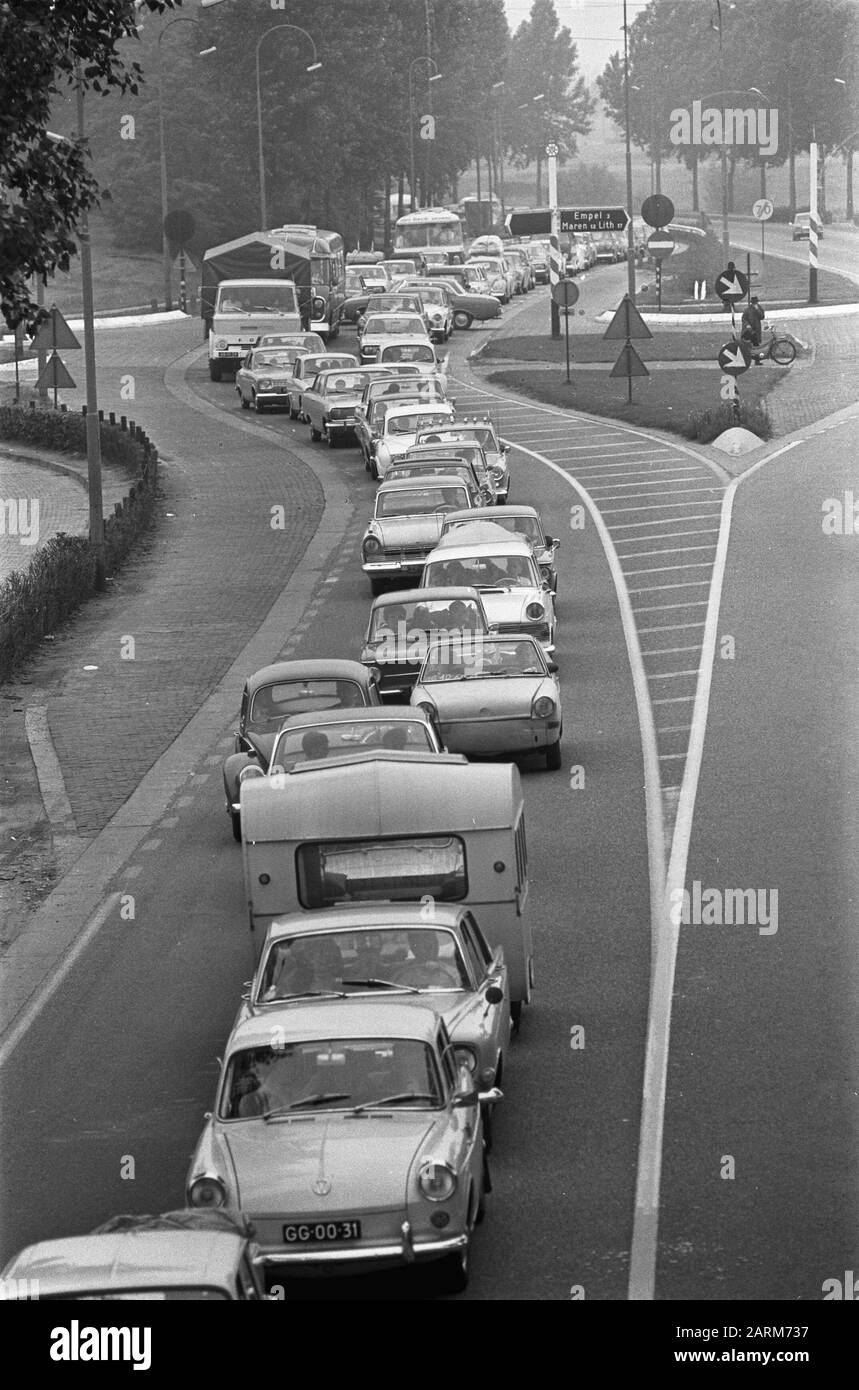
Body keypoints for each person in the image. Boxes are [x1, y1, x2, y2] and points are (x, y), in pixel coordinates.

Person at [741, 296, 766, 362]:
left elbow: (762, 316)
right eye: (754, 303)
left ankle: (757, 361)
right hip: (749, 330)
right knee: (748, 345)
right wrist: (747, 325)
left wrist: (757, 309)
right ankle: (746, 359)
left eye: (756, 302)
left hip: (756, 329)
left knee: (756, 346)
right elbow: (744, 319)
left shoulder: (759, 308)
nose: (755, 304)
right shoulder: (747, 309)